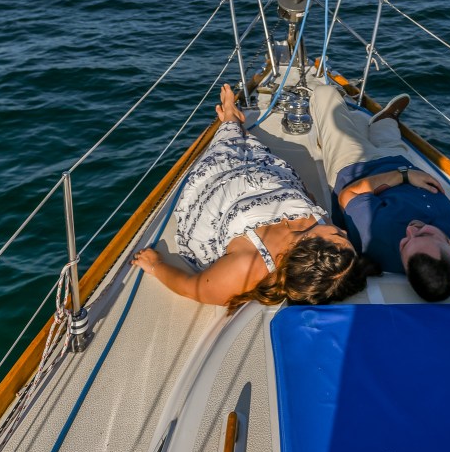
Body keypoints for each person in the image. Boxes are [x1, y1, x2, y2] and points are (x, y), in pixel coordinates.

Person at [131, 84, 370, 312]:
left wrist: (155, 265)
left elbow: (191, 288)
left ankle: (231, 119)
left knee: (224, 148)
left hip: (218, 189)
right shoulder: (325, 237)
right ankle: (234, 122)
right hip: (266, 173)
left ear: (309, 244)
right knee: (252, 150)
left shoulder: (248, 265)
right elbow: (308, 197)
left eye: (339, 236)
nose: (344, 231)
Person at [311, 83, 450, 302]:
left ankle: (330, 133)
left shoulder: (378, 235)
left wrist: (404, 176)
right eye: (424, 234)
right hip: (401, 162)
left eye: (404, 243)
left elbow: (348, 196)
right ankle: (384, 121)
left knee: (325, 94)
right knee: (390, 139)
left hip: (358, 169)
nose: (411, 230)